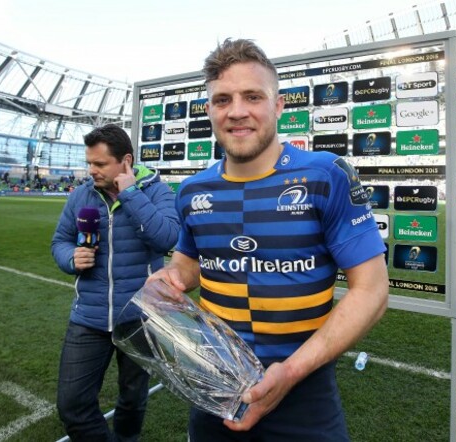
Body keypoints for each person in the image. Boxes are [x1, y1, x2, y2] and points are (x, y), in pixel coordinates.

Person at [145, 39, 389, 441]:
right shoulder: (192, 190)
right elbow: (189, 263)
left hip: (304, 398)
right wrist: (172, 278)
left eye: (252, 97)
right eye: (222, 99)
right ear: (209, 110)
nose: (237, 111)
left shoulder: (326, 175)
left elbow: (373, 292)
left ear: (278, 106)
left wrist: (290, 372)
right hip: (215, 393)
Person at [51, 124, 180, 441]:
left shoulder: (157, 191)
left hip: (139, 317)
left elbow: (168, 238)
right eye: (89, 163)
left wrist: (131, 194)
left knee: (133, 399)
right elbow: (60, 241)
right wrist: (71, 258)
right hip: (89, 316)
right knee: (72, 405)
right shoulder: (82, 195)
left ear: (126, 161)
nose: (91, 171)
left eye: (99, 164)